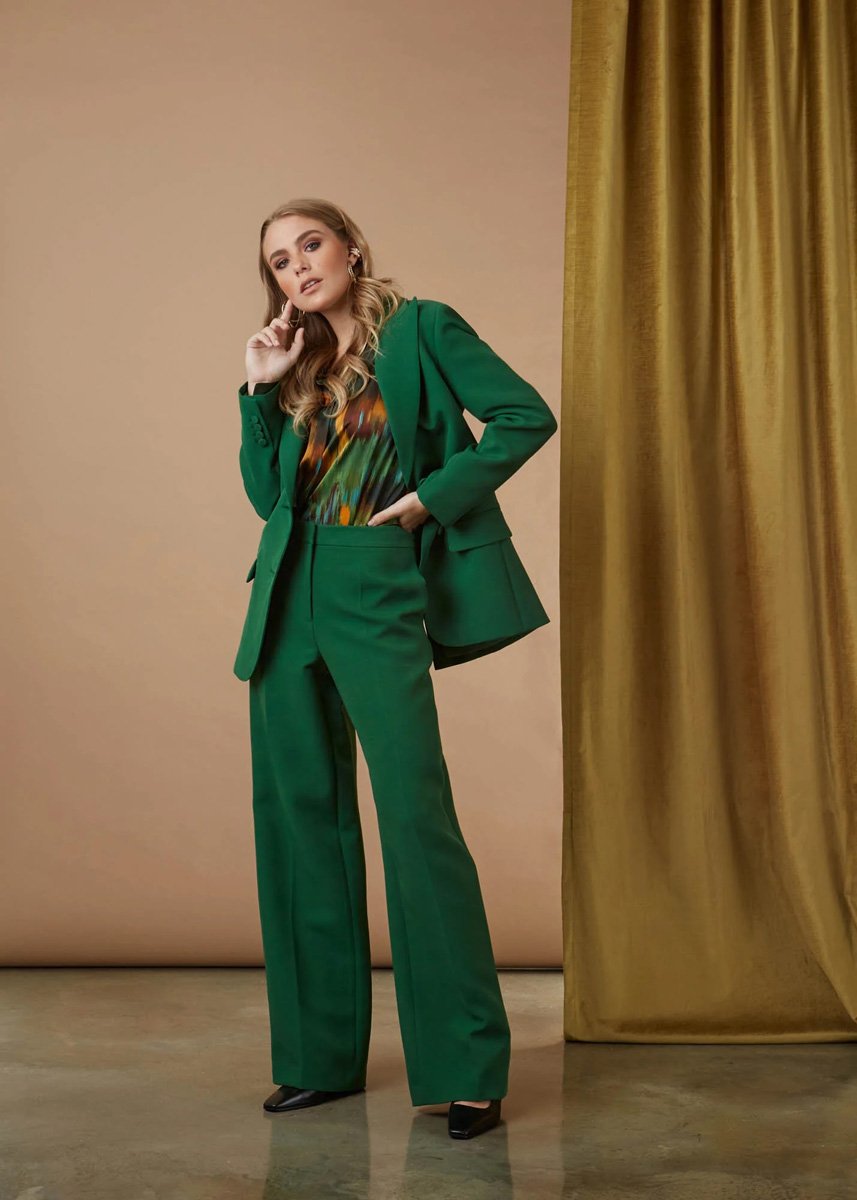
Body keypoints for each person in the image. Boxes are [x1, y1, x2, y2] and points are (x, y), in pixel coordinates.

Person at [234, 198, 557, 1140]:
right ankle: (317, 1059)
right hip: (288, 596)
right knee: (299, 825)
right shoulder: (301, 365)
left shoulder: (421, 328)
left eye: (310, 245)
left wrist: (427, 501)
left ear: (349, 247)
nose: (297, 267)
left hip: (375, 582)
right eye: (279, 261)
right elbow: (266, 501)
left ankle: (464, 1067)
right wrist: (259, 389)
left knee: (415, 816)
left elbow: (522, 415)